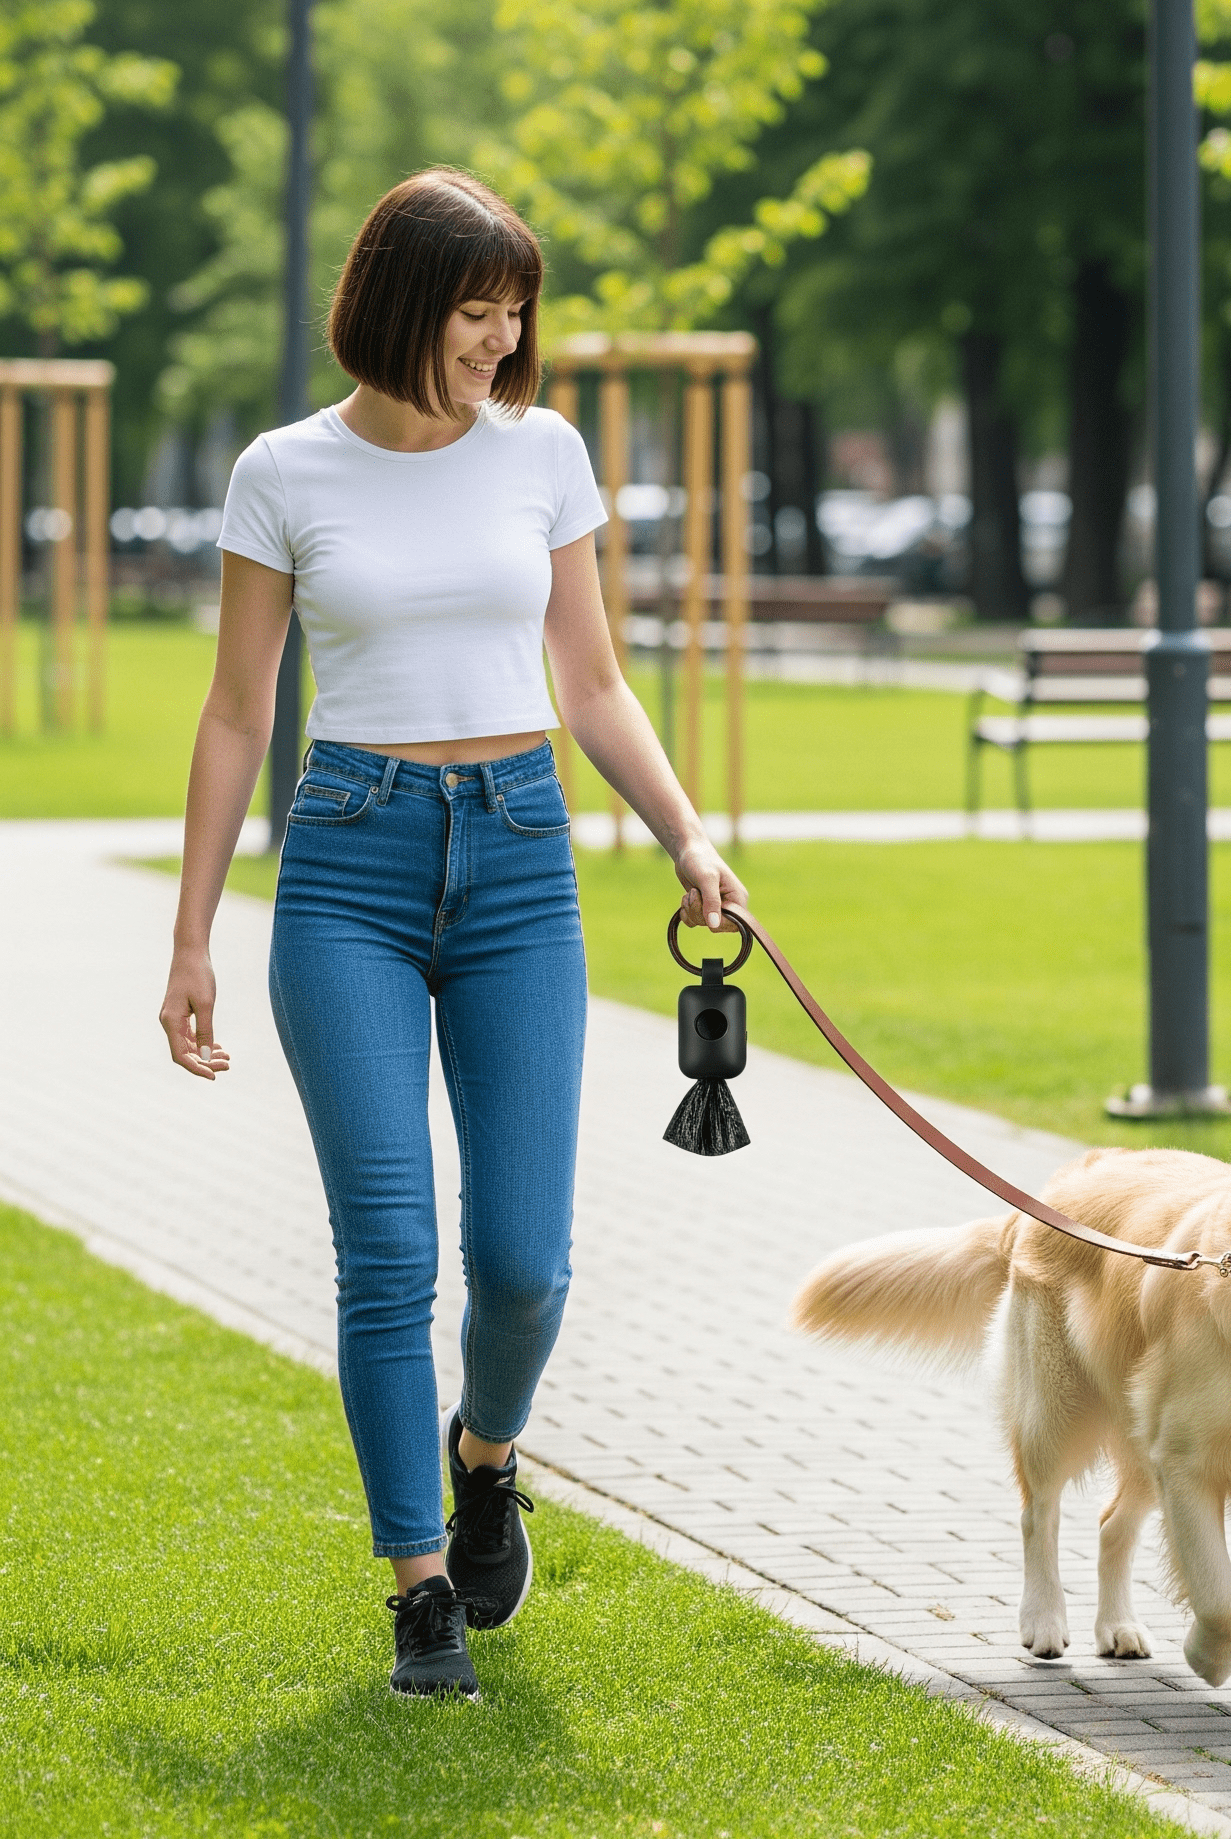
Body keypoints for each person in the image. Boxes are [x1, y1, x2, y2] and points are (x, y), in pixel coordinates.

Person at [157, 169, 743, 1701]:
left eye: (514, 310)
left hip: (520, 861)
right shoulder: (284, 470)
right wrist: (192, 934)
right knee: (390, 1252)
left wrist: (685, 831)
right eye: (478, 310)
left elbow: (594, 678)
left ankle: (486, 1457)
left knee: (525, 1262)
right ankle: (420, 1584)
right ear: (404, 306)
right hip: (345, 861)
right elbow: (237, 710)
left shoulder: (542, 451)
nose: (503, 337)